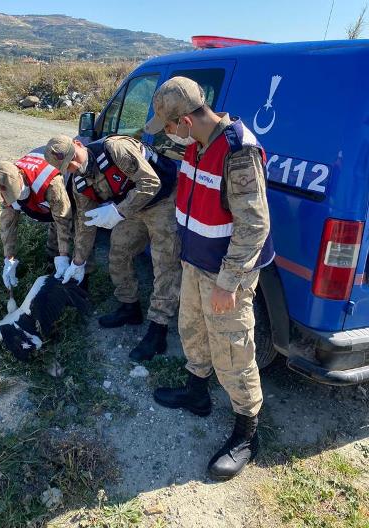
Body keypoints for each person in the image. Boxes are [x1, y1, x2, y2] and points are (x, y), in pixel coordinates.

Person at [144, 76, 274, 481]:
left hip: (226, 274)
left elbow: (254, 225)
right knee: (193, 330)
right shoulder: (197, 144)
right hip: (195, 261)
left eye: (168, 127)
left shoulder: (237, 151)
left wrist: (228, 282)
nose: (168, 135)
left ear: (185, 120)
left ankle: (247, 434)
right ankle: (196, 393)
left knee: (233, 350)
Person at [44, 134, 181, 361]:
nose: (75, 166)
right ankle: (130, 307)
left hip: (163, 199)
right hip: (133, 206)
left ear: (79, 144)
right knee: (118, 252)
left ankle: (158, 329)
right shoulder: (80, 184)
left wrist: (117, 211)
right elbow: (85, 224)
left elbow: (151, 183)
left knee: (164, 262)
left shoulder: (114, 149)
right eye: (67, 166)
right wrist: (77, 262)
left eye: (73, 158)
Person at [0, 146, 73, 291]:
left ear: (21, 176)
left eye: (16, 191)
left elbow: (63, 219)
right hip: (42, 198)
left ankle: (79, 279)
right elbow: (8, 224)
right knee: (52, 249)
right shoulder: (5, 179)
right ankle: (50, 269)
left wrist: (64, 256)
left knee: (68, 234)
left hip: (67, 192)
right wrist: (8, 259)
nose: (15, 197)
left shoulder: (50, 183)